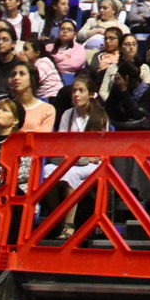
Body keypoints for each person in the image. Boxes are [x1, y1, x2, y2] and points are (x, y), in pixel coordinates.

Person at [45, 74, 110, 238]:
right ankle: (56, 217)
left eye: (81, 91)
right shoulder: (67, 114)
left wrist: (85, 157)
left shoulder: (100, 116)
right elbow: (61, 143)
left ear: (91, 94)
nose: (76, 94)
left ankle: (69, 224)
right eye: (74, 91)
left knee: (70, 174)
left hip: (91, 163)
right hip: (70, 159)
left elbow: (100, 150)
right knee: (47, 171)